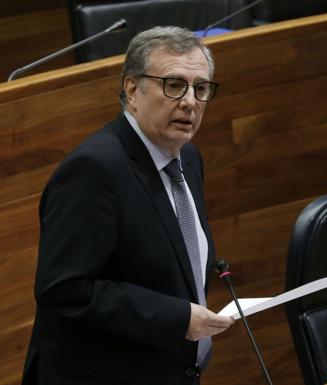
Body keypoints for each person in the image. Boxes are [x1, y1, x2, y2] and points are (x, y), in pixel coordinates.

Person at [21, 26, 235, 385]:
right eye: (173, 85)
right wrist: (176, 318)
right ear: (132, 90)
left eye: (200, 89)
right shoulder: (95, 169)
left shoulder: (188, 158)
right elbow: (63, 287)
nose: (189, 102)